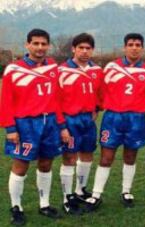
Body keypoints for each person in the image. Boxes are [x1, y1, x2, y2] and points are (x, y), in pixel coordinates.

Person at [0, 28, 69, 225]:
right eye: (35, 43)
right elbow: (6, 102)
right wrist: (10, 129)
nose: (40, 47)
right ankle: (16, 207)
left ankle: (44, 204)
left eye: (43, 44)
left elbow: (56, 99)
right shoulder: (14, 69)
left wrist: (62, 125)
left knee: (46, 164)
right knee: (21, 165)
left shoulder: (53, 67)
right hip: (25, 124)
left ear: (48, 45)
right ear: (27, 45)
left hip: (50, 123)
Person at [85, 33, 145, 211]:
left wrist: (136, 107)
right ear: (124, 47)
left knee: (130, 156)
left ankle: (126, 191)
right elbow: (101, 91)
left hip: (136, 119)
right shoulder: (111, 67)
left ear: (142, 48)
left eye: (138, 44)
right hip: (113, 118)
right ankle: (96, 194)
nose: (134, 47)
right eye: (131, 44)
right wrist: (102, 107)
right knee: (106, 156)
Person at [58, 33, 103, 214]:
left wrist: (97, 109)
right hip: (70, 120)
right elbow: (55, 100)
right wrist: (62, 125)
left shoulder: (97, 71)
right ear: (73, 49)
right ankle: (67, 197)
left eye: (88, 48)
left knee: (87, 154)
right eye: (81, 48)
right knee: (69, 158)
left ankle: (80, 190)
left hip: (88, 120)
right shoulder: (62, 71)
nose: (84, 51)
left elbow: (100, 94)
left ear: (92, 50)